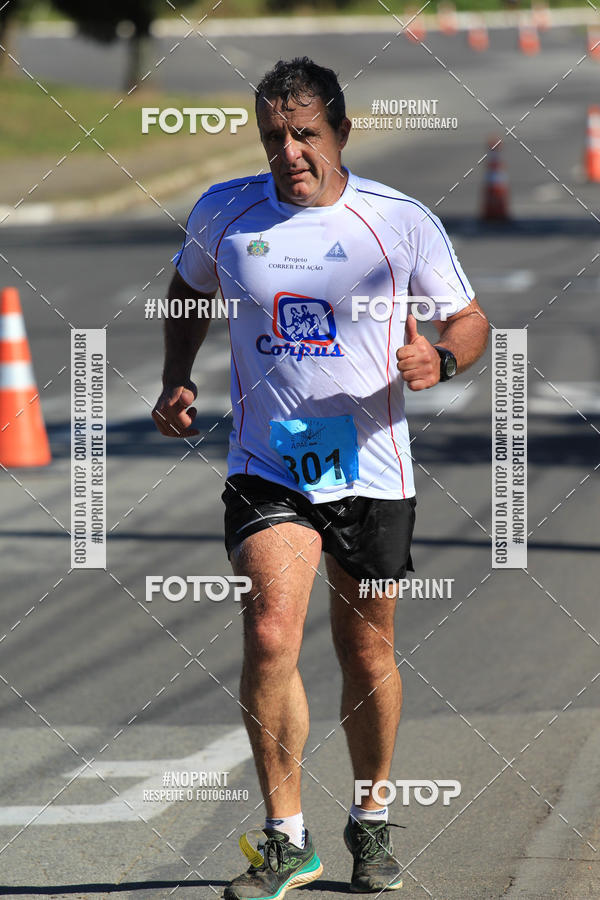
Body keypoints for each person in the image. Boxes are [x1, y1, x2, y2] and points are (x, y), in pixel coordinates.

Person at [152, 57, 489, 898]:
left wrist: (440, 357)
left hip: (371, 465)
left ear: (341, 131)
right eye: (275, 137)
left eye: (305, 135)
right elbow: (187, 290)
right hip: (268, 464)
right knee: (270, 631)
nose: (290, 153)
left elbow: (469, 317)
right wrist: (177, 376)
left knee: (366, 649)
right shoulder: (224, 212)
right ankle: (287, 838)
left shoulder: (396, 221)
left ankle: (371, 821)